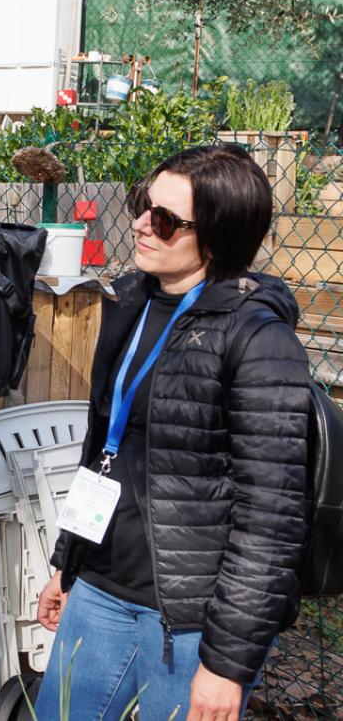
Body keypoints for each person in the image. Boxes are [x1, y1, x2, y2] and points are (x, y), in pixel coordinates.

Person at [35, 145, 312, 720]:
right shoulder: (130, 303)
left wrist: (227, 663)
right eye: (144, 203)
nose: (139, 223)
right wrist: (68, 561)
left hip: (189, 625)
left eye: (162, 219)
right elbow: (105, 447)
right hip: (100, 591)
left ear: (215, 237)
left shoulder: (259, 340)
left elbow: (272, 519)